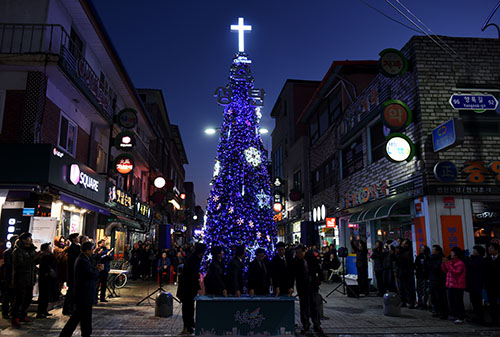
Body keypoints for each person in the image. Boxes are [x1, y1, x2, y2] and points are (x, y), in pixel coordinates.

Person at [60, 242, 103, 337]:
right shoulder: (82, 260)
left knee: (78, 316)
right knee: (84, 317)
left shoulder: (85, 259)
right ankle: (84, 333)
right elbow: (91, 274)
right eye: (92, 249)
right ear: (87, 250)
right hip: (84, 293)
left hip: (84, 293)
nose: (93, 251)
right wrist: (98, 270)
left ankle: (68, 334)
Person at [290, 245, 323, 335]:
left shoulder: (311, 257)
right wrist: (291, 286)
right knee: (304, 306)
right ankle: (305, 325)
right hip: (302, 286)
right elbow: (293, 275)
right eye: (297, 253)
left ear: (305, 251)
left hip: (312, 285)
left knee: (314, 306)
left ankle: (316, 324)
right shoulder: (296, 261)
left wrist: (320, 278)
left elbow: (318, 268)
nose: (299, 254)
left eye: (300, 253)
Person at [177, 242, 207, 335]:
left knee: (189, 308)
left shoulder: (194, 258)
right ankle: (187, 326)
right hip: (187, 288)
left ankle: (189, 326)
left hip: (189, 288)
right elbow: (192, 276)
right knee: (187, 308)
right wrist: (197, 288)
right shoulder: (193, 260)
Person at [11, 232, 37, 328]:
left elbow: (33, 263)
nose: (31, 240)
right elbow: (20, 265)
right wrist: (33, 258)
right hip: (21, 279)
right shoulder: (18, 251)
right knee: (19, 300)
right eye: (29, 238)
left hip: (30, 278)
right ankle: (15, 318)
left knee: (27, 298)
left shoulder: (31, 250)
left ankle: (23, 315)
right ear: (24, 240)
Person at [441, 246, 466, 324]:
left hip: (458, 285)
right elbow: (446, 271)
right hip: (450, 284)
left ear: (456, 255)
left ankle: (460, 316)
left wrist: (448, 264)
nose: (451, 254)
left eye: (452, 253)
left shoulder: (460, 263)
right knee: (451, 301)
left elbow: (456, 273)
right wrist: (444, 264)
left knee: (458, 301)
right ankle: (454, 315)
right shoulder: (451, 262)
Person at [35, 243, 59, 318]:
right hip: (45, 278)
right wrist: (49, 271)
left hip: (46, 277)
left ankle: (44, 311)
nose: (50, 248)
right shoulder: (45, 256)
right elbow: (46, 266)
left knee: (45, 295)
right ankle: (40, 312)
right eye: (49, 247)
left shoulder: (46, 255)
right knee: (44, 295)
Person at [466, 245, 485, 324]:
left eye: (475, 250)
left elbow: (472, 267)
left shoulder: (480, 260)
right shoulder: (472, 259)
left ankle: (480, 317)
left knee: (477, 301)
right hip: (472, 283)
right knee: (473, 300)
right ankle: (476, 316)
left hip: (477, 283)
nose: (473, 251)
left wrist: (468, 259)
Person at [427, 245, 448, 319]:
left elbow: (437, 268)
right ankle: (436, 310)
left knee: (440, 297)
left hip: (439, 280)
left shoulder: (441, 259)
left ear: (438, 251)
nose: (432, 251)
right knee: (434, 297)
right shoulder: (431, 258)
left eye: (434, 250)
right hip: (432, 279)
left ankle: (442, 312)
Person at [63, 233, 80, 315]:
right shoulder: (73, 248)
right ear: (73, 239)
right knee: (70, 292)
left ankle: (71, 308)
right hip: (72, 273)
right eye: (77, 237)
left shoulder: (77, 247)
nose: (78, 238)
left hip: (74, 273)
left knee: (73, 292)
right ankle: (67, 309)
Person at [1, 235, 18, 319]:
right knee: (8, 295)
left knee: (14, 295)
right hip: (9, 276)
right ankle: (5, 312)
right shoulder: (8, 252)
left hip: (16, 276)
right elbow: (8, 265)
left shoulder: (17, 252)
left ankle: (12, 311)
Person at [484, 242, 500, 326]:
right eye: (489, 247)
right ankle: (495, 321)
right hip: (490, 285)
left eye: (491, 248)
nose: (489, 249)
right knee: (492, 304)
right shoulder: (487, 259)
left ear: (496, 250)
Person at [397, 239, 416, 308]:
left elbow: (408, 262)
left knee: (408, 288)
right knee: (401, 288)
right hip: (401, 271)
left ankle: (411, 302)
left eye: (403, 243)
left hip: (407, 272)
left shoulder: (408, 252)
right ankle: (403, 301)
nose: (402, 244)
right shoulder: (400, 252)